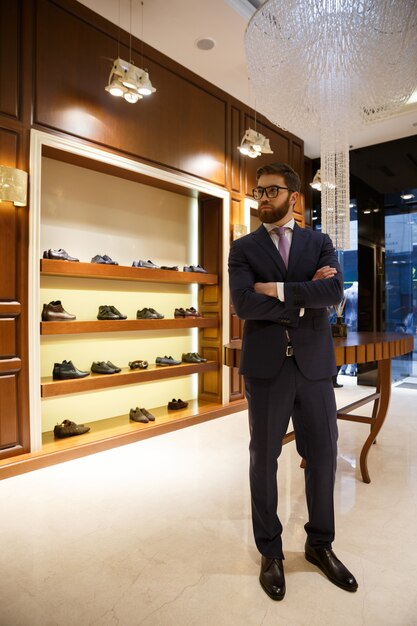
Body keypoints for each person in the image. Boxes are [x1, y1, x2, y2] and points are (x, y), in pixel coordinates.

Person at [228, 162, 358, 601]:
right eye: (258, 191)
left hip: (316, 367)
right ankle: (271, 551)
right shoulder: (242, 248)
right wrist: (305, 294)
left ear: (293, 198)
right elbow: (244, 305)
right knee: (263, 460)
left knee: (323, 456)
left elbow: (333, 293)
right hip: (266, 370)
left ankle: (320, 545)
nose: (262, 198)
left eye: (271, 191)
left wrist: (279, 291)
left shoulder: (319, 241)